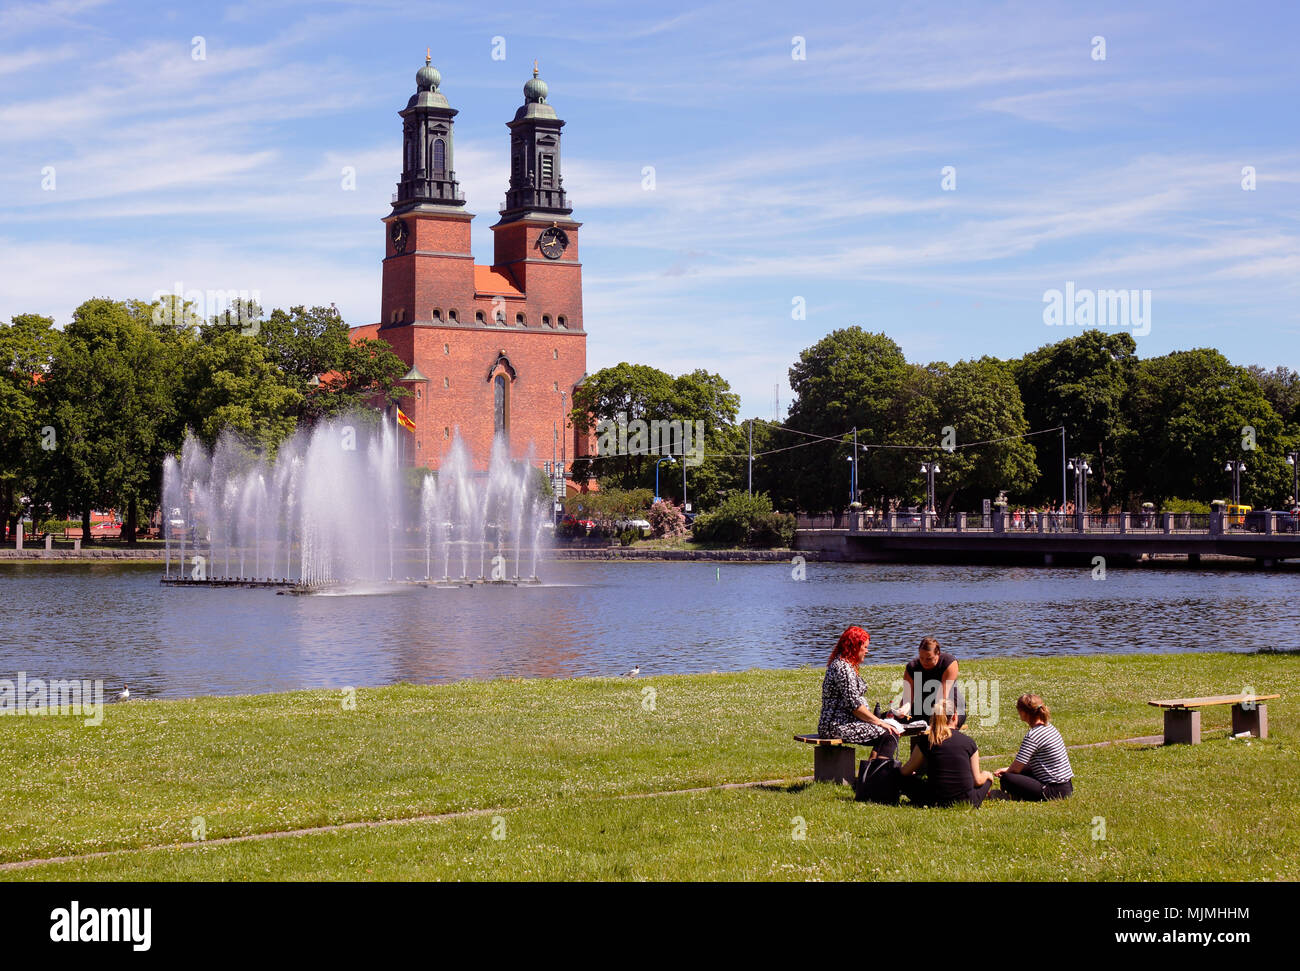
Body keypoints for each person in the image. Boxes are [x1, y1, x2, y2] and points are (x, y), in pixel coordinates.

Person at [818, 626, 902, 760]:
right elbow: (855, 706)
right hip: (836, 726)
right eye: (865, 647)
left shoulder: (846, 665)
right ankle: (876, 775)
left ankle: (872, 772)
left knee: (889, 730)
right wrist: (879, 722)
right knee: (889, 734)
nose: (867, 651)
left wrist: (879, 720)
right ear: (854, 647)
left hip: (845, 722)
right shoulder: (843, 668)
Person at [899, 698, 994, 807]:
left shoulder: (927, 741)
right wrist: (987, 775)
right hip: (967, 800)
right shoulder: (969, 742)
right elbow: (977, 781)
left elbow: (905, 772)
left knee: (902, 778)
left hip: (935, 799)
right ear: (954, 716)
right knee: (987, 780)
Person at [993, 693, 1074, 800]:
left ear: (1023, 712)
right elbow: (1033, 764)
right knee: (1015, 774)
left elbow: (1016, 769)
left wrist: (1007, 771)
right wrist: (1008, 768)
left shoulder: (1033, 735)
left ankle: (1009, 796)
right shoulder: (1049, 727)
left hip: (1053, 790)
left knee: (1007, 778)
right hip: (1066, 786)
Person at [895, 636, 965, 728]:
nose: (924, 662)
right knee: (893, 720)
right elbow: (908, 698)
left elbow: (943, 697)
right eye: (921, 658)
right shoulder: (912, 667)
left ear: (938, 654)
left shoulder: (948, 663)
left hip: (949, 706)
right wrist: (903, 709)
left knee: (943, 723)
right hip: (923, 708)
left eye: (929, 659)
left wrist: (936, 720)